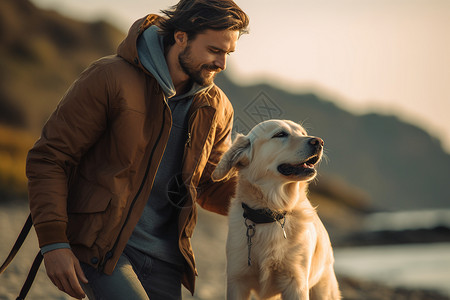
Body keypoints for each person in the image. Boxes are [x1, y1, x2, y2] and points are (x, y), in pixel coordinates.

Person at [25, 0, 249, 299]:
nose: (222, 64)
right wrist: (53, 243)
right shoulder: (109, 77)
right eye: (214, 50)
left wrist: (272, 196)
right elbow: (51, 157)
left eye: (227, 54)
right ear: (181, 36)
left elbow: (208, 186)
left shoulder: (218, 108)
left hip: (166, 259)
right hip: (99, 247)